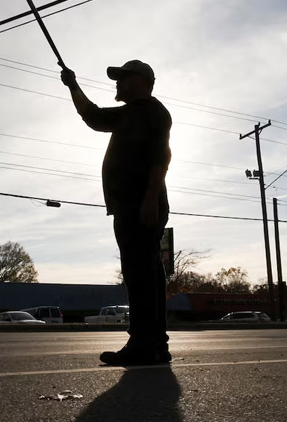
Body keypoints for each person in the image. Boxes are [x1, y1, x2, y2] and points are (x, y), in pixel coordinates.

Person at [61, 60, 172, 365]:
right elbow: (94, 117)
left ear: (142, 80)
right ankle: (154, 345)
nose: (117, 83)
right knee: (144, 273)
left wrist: (150, 199)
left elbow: (161, 157)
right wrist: (73, 85)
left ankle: (143, 344)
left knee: (140, 274)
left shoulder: (151, 111)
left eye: (123, 77)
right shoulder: (130, 114)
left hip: (141, 205)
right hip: (130, 205)